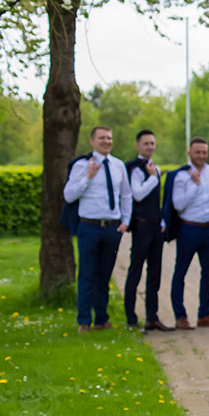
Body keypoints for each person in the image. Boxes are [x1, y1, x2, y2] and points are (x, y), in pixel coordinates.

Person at [63, 125, 132, 332]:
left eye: (109, 138)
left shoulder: (119, 165)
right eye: (102, 138)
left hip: (112, 229)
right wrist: (88, 177)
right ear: (92, 141)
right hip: (89, 227)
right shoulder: (82, 166)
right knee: (86, 275)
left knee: (104, 275)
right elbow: (68, 195)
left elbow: (126, 195)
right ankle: (84, 320)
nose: (107, 142)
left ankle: (102, 319)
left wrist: (125, 220)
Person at [169, 136, 209, 329]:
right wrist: (194, 184)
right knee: (180, 272)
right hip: (189, 228)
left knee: (208, 273)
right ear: (189, 153)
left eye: (204, 152)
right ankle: (180, 315)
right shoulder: (182, 175)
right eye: (198, 152)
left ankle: (205, 314)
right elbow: (178, 205)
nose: (201, 156)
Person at [122, 129, 171, 331]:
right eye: (146, 143)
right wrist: (152, 178)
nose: (150, 147)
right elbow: (138, 195)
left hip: (155, 226)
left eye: (152, 143)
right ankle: (131, 319)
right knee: (135, 270)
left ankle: (152, 316)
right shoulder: (135, 169)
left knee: (155, 272)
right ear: (138, 146)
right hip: (141, 225)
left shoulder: (155, 168)